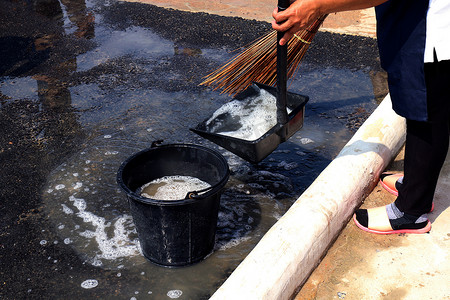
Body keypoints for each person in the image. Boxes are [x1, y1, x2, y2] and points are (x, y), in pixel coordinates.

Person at [272, 0, 450, 234]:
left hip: (430, 26)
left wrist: (316, 6)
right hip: (413, 14)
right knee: (418, 106)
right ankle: (414, 185)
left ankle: (411, 211)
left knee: (425, 113)